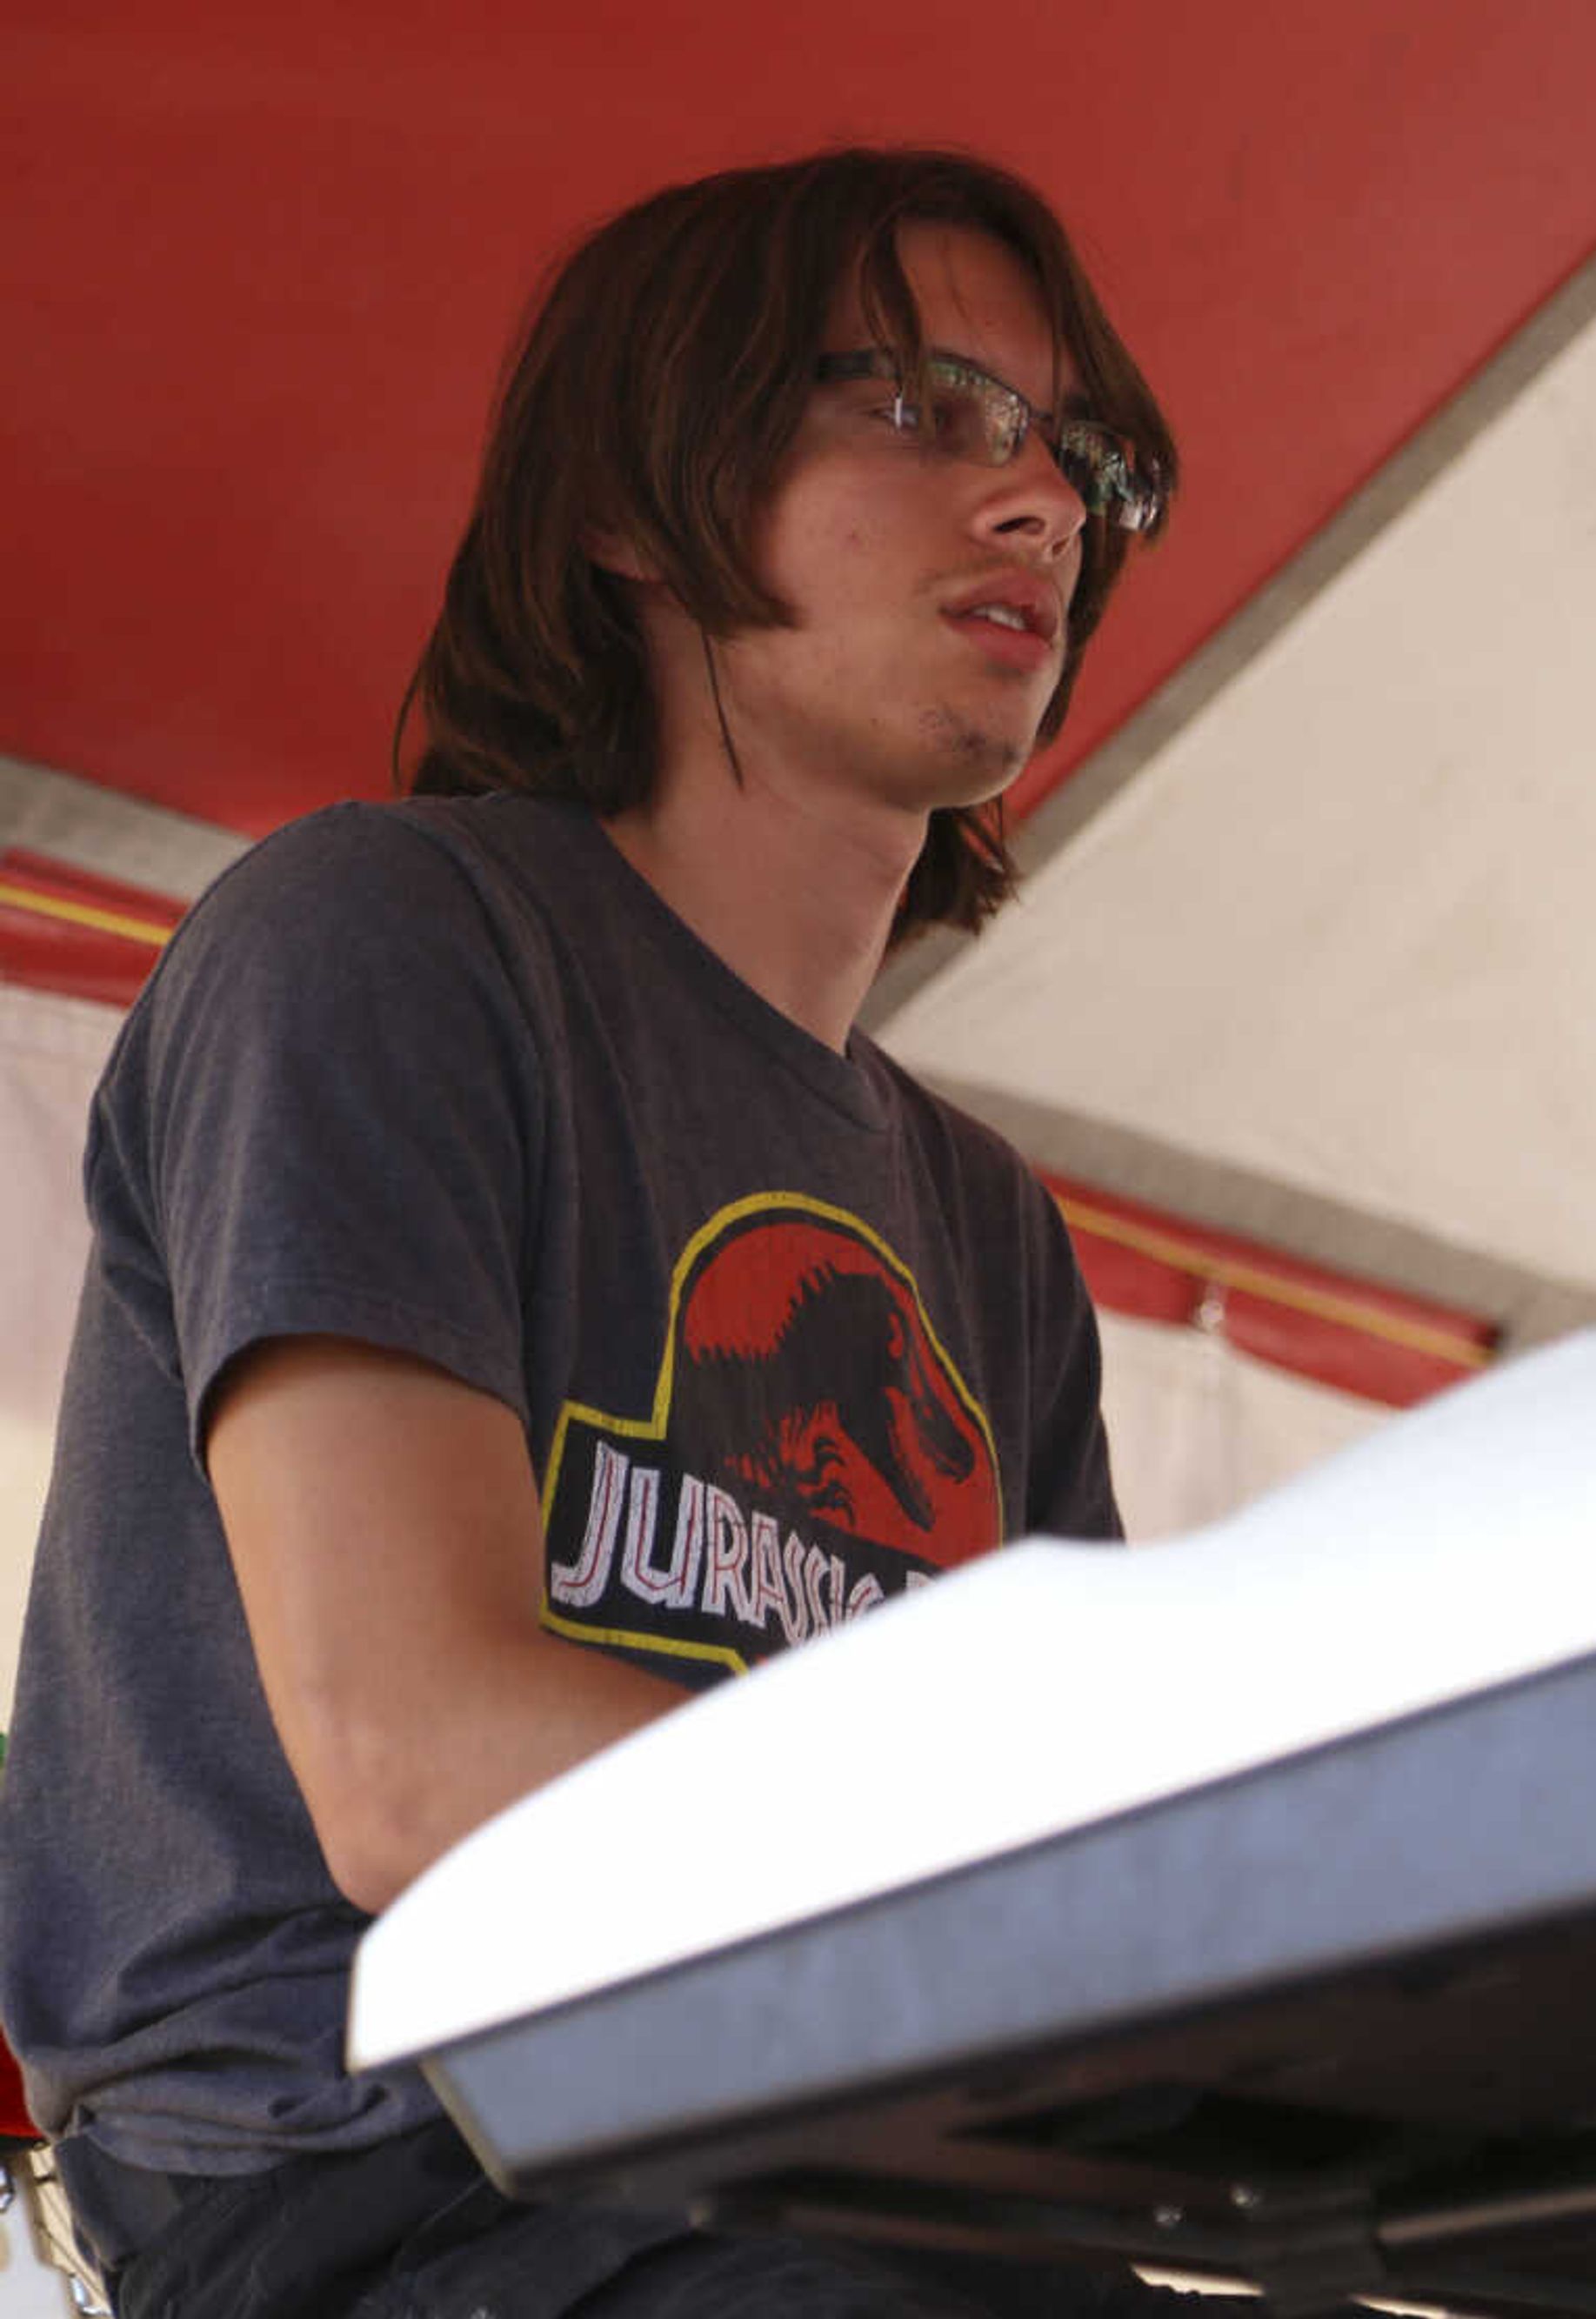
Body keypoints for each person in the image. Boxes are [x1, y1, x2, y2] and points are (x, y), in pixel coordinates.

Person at [0, 148, 1187, 2316]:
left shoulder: (991, 1234)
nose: (1043, 506)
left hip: (844, 2197)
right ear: (638, 503)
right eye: (926, 409)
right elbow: (412, 1755)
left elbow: (1109, 1876)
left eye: (1081, 453)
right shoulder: (385, 935)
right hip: (381, 2190)